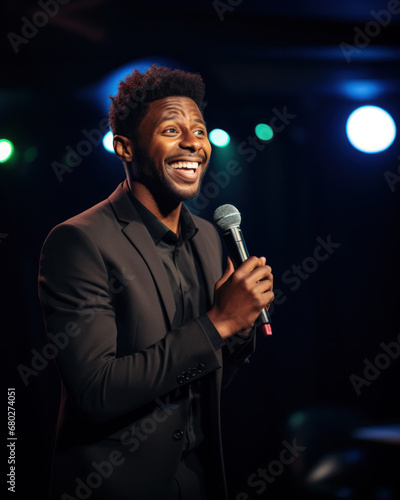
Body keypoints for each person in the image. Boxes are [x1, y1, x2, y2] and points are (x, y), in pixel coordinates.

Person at [38, 65, 274, 500]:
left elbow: (202, 374)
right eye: (171, 129)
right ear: (124, 147)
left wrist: (240, 329)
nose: (193, 144)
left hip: (200, 482)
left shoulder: (207, 235)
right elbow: (96, 391)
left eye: (200, 131)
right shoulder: (78, 241)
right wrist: (218, 322)